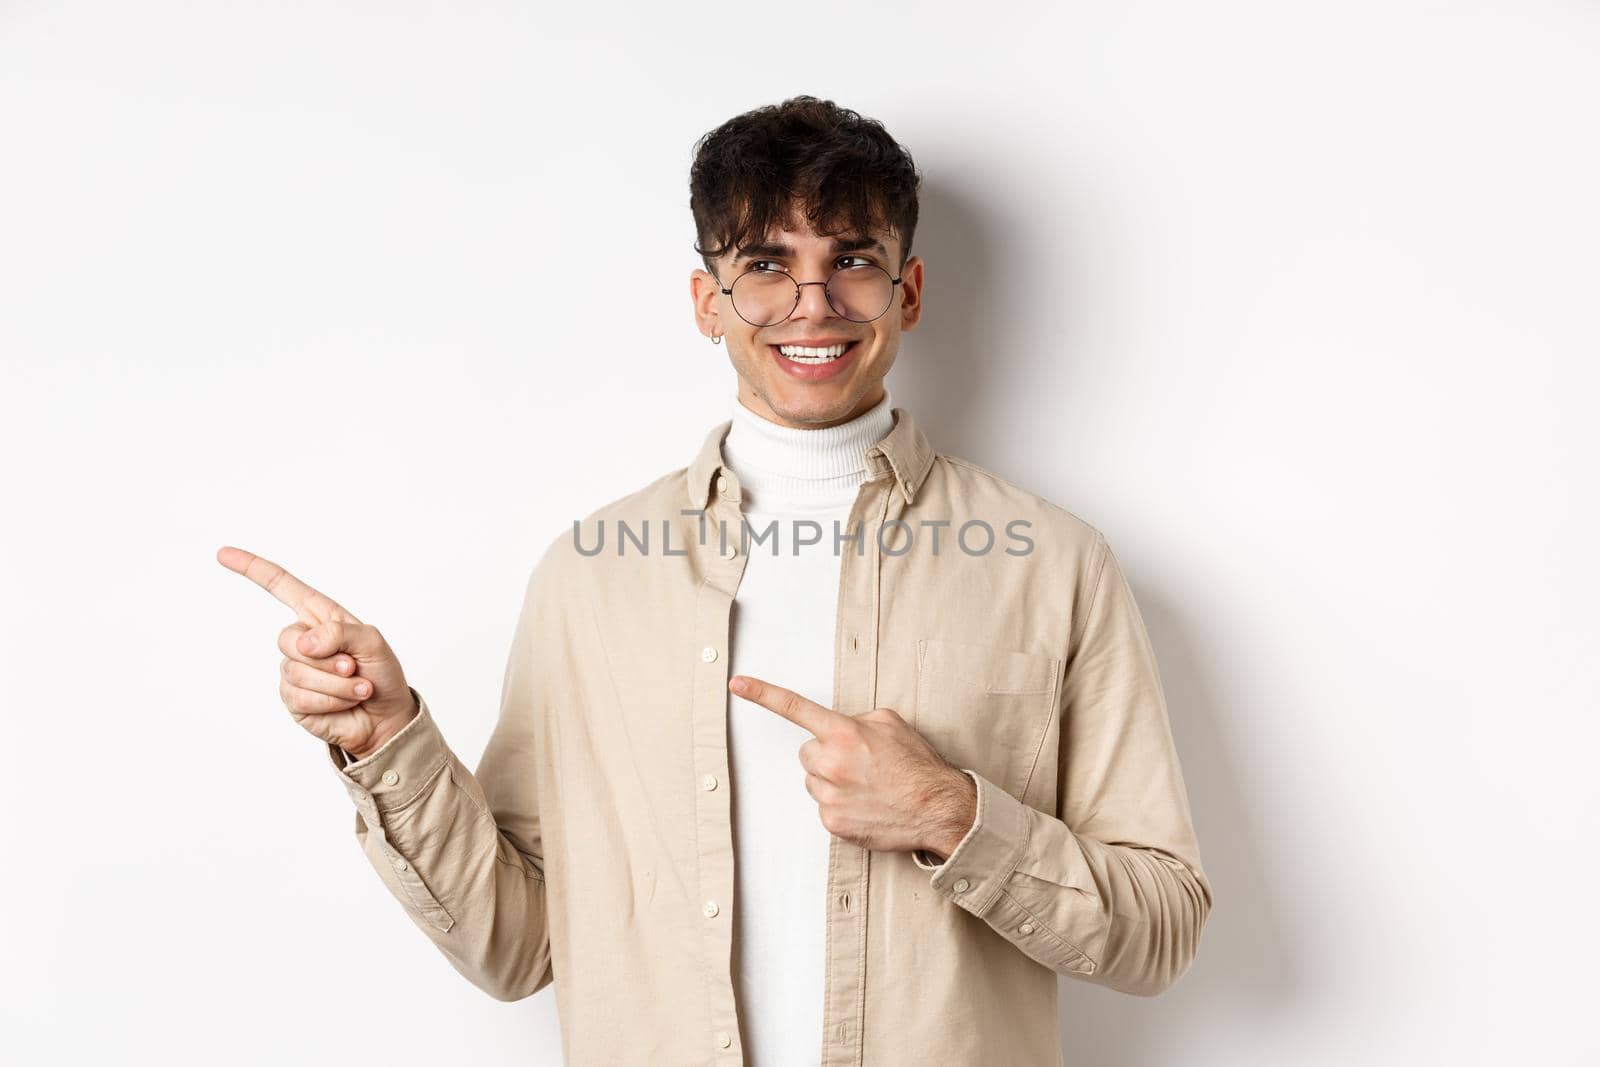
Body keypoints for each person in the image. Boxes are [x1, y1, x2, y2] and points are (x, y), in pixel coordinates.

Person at [218, 95, 1212, 1066]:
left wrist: (951, 813)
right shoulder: (590, 576)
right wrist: (385, 738)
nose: (811, 305)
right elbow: (515, 942)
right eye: (767, 267)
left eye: (851, 262)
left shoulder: (1051, 563)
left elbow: (1160, 929)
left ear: (906, 291)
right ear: (710, 301)